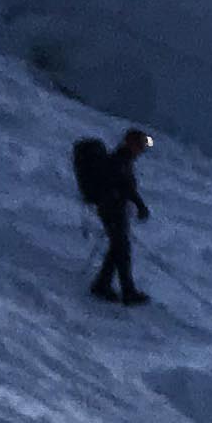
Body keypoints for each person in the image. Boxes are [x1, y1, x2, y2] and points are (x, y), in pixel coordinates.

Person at [74, 127, 154, 305]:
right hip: (111, 209)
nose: (142, 150)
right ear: (131, 144)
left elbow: (125, 187)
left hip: (112, 208)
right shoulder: (120, 160)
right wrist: (140, 205)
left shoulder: (122, 159)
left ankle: (103, 284)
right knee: (121, 248)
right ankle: (126, 291)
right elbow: (125, 187)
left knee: (118, 247)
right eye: (140, 145)